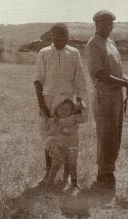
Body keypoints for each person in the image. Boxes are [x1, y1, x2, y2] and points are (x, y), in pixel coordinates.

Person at [85, 10, 128, 191]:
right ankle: (103, 174)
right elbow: (101, 74)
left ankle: (109, 170)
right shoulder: (93, 44)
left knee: (115, 134)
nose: (108, 27)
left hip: (116, 95)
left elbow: (117, 72)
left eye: (111, 24)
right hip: (104, 95)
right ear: (97, 25)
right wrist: (126, 84)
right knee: (106, 134)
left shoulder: (110, 43)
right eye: (105, 23)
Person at [34, 23, 89, 185]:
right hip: (49, 100)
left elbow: (79, 80)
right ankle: (47, 175)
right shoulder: (44, 53)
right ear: (52, 35)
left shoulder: (74, 53)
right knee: (50, 137)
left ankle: (68, 177)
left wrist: (80, 100)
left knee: (69, 136)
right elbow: (38, 81)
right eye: (59, 36)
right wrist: (42, 105)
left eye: (65, 37)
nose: (62, 39)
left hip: (67, 102)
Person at [44, 93, 87, 189]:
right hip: (57, 146)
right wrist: (61, 129)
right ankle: (49, 183)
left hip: (71, 145)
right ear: (56, 109)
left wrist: (83, 109)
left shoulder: (73, 117)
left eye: (67, 109)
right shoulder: (54, 120)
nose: (64, 111)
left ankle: (73, 182)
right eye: (61, 109)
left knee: (72, 164)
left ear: (72, 110)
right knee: (56, 164)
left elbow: (83, 119)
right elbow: (48, 132)